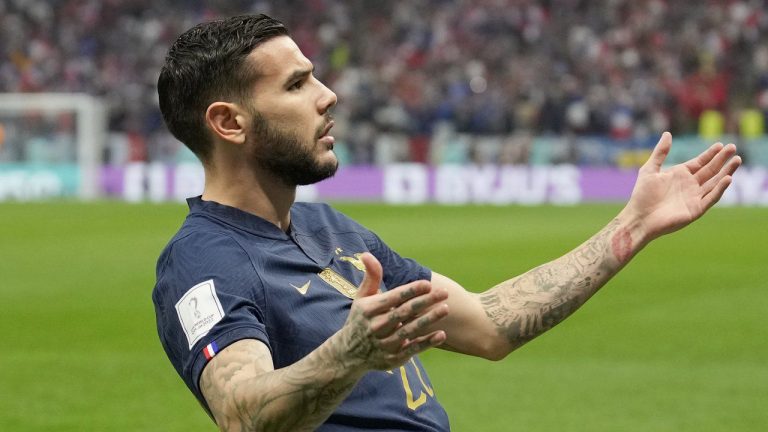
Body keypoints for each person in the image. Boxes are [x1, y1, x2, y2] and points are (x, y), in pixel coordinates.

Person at [151, 14, 742, 432]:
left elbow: (488, 325)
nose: (328, 95)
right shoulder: (205, 259)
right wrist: (350, 351)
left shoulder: (332, 230)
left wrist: (633, 226)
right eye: (297, 84)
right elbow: (243, 412)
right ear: (230, 123)